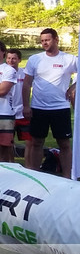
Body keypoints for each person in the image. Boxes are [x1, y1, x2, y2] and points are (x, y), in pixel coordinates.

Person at [22, 28, 77, 178]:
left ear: (56, 39)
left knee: (64, 143)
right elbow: (26, 84)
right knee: (36, 142)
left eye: (47, 40)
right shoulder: (35, 59)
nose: (44, 43)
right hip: (38, 107)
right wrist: (26, 105)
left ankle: (67, 178)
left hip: (60, 108)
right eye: (42, 41)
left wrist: (74, 86)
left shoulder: (69, 59)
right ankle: (36, 175)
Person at [6, 48, 29, 161]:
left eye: (14, 58)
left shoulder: (24, 74)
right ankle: (11, 164)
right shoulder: (3, 73)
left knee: (30, 141)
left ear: (19, 60)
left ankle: (29, 166)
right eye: (9, 58)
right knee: (8, 142)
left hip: (22, 112)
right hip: (7, 112)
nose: (11, 61)